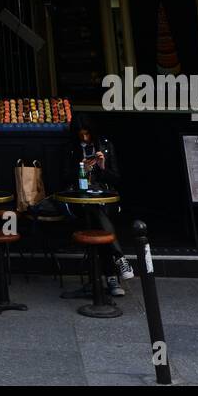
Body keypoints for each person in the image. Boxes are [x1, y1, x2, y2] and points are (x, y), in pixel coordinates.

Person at [71, 115, 135, 296]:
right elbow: (63, 176)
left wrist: (102, 166)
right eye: (81, 135)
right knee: (95, 211)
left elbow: (116, 178)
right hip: (79, 199)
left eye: (87, 134)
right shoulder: (71, 149)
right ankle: (116, 266)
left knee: (99, 214)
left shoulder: (105, 145)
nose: (84, 139)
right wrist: (81, 168)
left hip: (104, 196)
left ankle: (112, 274)